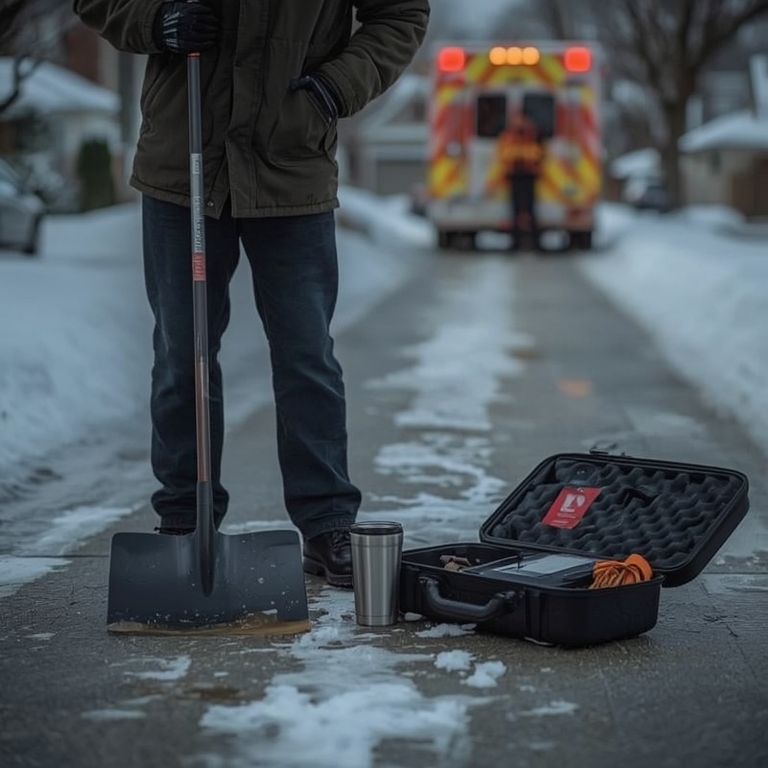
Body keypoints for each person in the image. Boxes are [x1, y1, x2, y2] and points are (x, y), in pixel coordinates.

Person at [72, 0, 431, 588]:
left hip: (292, 165)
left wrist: (333, 89)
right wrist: (155, 21)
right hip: (182, 160)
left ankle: (326, 522)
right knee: (182, 355)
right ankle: (186, 523)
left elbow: (401, 14)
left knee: (305, 355)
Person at [499, 113, 544, 251]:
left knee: (528, 210)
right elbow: (504, 153)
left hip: (527, 176)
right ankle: (517, 241)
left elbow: (538, 153)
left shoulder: (532, 136)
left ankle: (533, 241)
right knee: (516, 211)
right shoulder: (510, 136)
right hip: (516, 175)